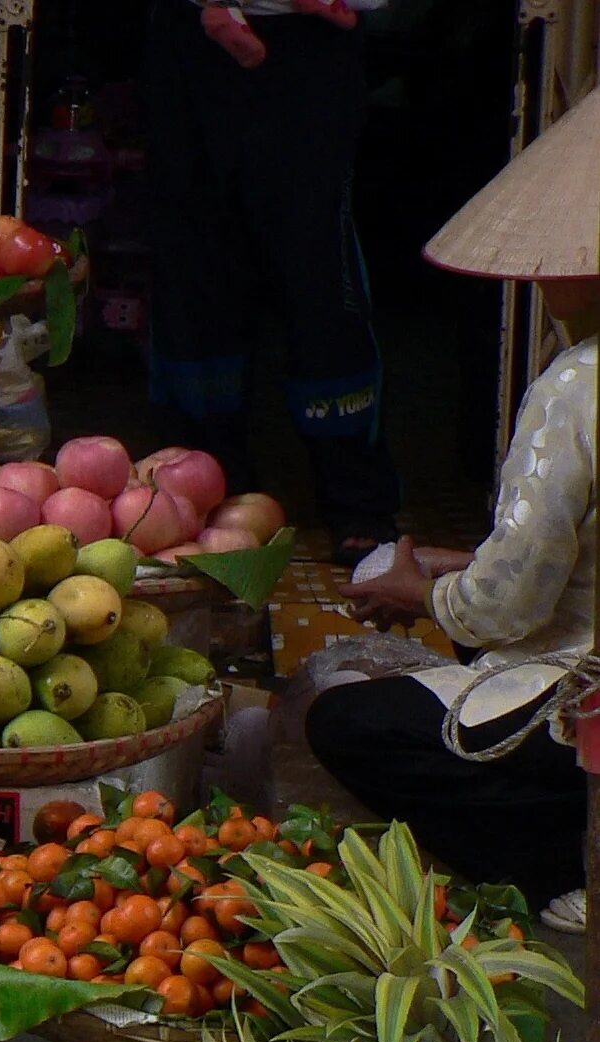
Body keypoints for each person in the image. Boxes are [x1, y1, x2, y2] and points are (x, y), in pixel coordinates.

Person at [307, 87, 600, 929]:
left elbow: (509, 609)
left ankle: (553, 863)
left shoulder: (578, 387)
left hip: (582, 718)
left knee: (350, 721)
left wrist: (425, 596)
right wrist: (463, 559)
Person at [145, 0, 401, 562]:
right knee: (196, 267)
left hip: (312, 45)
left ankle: (355, 495)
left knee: (319, 271)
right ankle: (203, 491)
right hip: (193, 44)